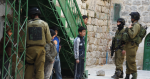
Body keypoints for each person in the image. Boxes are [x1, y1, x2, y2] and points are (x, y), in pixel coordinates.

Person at [25, 7, 51, 79]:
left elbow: (22, 39)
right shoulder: (44, 24)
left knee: (29, 68)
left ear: (32, 15)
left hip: (29, 50)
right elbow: (49, 40)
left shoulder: (27, 24)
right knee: (40, 69)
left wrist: (21, 51)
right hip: (40, 50)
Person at [125, 12, 141, 79]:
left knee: (131, 61)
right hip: (129, 46)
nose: (131, 18)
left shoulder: (136, 25)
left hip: (132, 46)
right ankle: (127, 75)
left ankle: (134, 76)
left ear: (134, 18)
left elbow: (132, 35)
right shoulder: (134, 24)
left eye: (132, 17)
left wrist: (128, 28)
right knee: (128, 61)